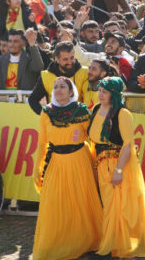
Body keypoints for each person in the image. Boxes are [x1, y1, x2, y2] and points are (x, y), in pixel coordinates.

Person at [88, 77, 145, 258]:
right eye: (99, 91)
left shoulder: (122, 113)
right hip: (101, 163)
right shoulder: (97, 109)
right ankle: (111, 244)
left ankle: (111, 248)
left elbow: (128, 145)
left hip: (116, 164)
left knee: (117, 207)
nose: (100, 95)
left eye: (104, 92)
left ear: (114, 93)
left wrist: (118, 171)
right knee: (108, 206)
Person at [32, 77, 102, 260]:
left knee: (81, 204)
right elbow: (42, 143)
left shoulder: (81, 110)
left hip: (80, 161)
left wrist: (99, 164)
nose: (58, 90)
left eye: (63, 86)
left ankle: (85, 242)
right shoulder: (46, 112)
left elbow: (93, 137)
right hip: (56, 162)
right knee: (54, 204)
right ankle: (56, 246)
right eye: (55, 87)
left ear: (71, 91)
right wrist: (37, 168)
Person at [27, 41, 90, 114]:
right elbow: (32, 99)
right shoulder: (46, 76)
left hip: (79, 121)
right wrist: (46, 115)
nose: (70, 62)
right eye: (65, 59)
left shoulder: (85, 73)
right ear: (57, 59)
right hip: (55, 123)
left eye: (72, 58)